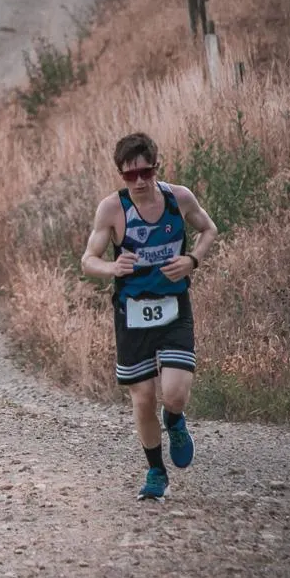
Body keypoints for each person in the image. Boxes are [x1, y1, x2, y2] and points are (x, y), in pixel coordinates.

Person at [79, 133, 218, 502]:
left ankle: (174, 420)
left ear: (157, 166)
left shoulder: (179, 198)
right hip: (132, 313)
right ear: (121, 175)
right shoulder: (112, 209)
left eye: (146, 172)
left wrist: (192, 260)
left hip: (174, 308)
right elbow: (87, 260)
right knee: (142, 399)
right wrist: (112, 267)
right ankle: (155, 471)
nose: (139, 181)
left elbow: (208, 229)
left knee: (173, 393)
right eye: (130, 175)